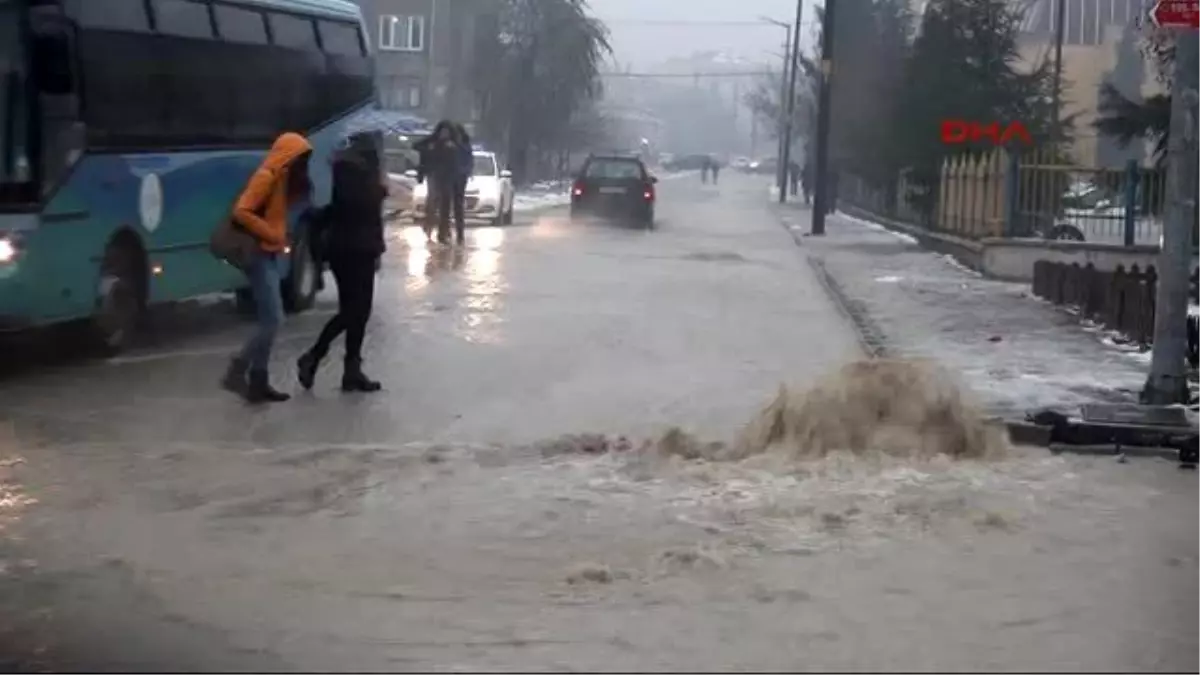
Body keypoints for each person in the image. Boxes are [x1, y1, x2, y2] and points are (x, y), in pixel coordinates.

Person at [220, 132, 313, 403]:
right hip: (257, 254)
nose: (303, 165)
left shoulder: (282, 180)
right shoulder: (267, 176)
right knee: (273, 319)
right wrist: (271, 234)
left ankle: (258, 382)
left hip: (267, 254)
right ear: (288, 157)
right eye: (300, 158)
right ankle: (238, 369)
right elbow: (242, 211)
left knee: (269, 319)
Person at [296, 132, 388, 393]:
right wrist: (377, 191)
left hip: (364, 248)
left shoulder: (362, 172)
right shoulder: (348, 170)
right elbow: (349, 206)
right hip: (348, 250)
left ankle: (352, 370)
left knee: (361, 312)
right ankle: (313, 356)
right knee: (352, 311)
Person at [414, 121, 461, 245]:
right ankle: (429, 225)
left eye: (446, 132)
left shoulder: (454, 145)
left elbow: (458, 160)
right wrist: (429, 148)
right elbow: (416, 146)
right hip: (434, 175)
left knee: (445, 205)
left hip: (448, 177)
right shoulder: (432, 141)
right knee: (433, 201)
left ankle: (443, 232)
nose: (444, 134)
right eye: (442, 131)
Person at [451, 123, 473, 244]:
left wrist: (464, 172)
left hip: (460, 178)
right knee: (446, 204)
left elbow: (469, 161)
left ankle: (460, 233)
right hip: (448, 177)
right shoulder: (450, 145)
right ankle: (445, 231)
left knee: (458, 205)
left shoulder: (465, 146)